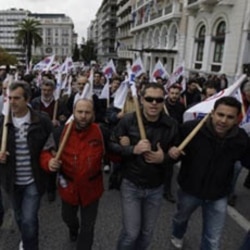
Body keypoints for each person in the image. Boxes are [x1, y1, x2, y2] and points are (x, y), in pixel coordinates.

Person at [168, 96, 250, 250]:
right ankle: (177, 234)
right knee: (180, 219)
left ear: (236, 119)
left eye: (230, 117)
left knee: (213, 240)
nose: (223, 120)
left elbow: (247, 160)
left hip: (218, 195)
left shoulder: (240, 138)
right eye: (220, 114)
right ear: (212, 113)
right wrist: (172, 152)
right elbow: (172, 150)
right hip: (189, 190)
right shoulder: (191, 129)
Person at [112, 83, 179, 250]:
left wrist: (163, 158)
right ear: (142, 100)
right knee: (131, 233)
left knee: (147, 234)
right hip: (131, 184)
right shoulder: (128, 120)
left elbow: (176, 153)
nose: (154, 103)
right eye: (149, 99)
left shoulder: (171, 124)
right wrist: (131, 149)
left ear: (163, 102)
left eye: (159, 99)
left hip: (156, 187)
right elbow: (111, 145)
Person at [40, 99, 107, 250]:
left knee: (88, 227)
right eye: (80, 112)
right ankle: (73, 228)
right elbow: (45, 153)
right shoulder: (60, 133)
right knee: (67, 217)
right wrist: (49, 162)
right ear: (74, 113)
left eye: (87, 112)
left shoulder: (101, 132)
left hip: (91, 189)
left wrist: (126, 146)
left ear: (93, 114)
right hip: (69, 187)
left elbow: (115, 152)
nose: (83, 116)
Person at [0, 81, 54, 250]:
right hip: (11, 181)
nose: (12, 102)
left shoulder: (41, 121)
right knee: (19, 217)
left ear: (27, 99)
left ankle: (31, 246)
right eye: (10, 98)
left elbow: (50, 145)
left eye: (17, 98)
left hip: (33, 180)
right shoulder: (2, 123)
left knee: (29, 219)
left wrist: (51, 158)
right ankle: (26, 237)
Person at [31, 78, 69, 202]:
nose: (46, 92)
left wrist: (59, 121)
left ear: (53, 91)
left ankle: (51, 189)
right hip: (38, 136)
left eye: (48, 90)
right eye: (44, 90)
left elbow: (66, 118)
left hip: (53, 137)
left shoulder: (60, 103)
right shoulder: (35, 103)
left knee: (51, 161)